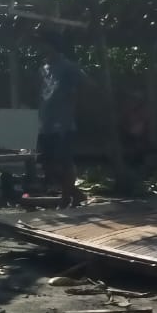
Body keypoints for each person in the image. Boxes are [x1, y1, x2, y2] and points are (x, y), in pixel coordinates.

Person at [35, 36, 88, 208]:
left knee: (64, 161)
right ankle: (76, 193)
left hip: (63, 123)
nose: (41, 48)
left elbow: (75, 95)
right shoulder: (43, 68)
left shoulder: (68, 68)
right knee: (47, 164)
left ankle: (66, 198)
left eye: (43, 44)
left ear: (52, 46)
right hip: (45, 122)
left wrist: (66, 120)